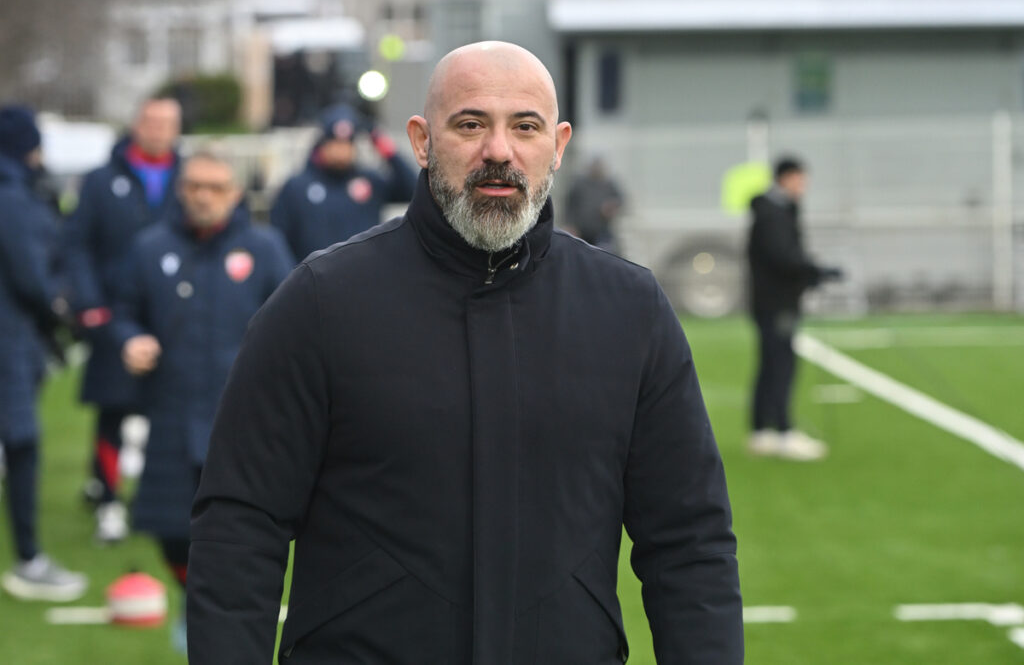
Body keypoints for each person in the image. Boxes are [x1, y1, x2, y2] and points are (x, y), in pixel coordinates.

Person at [188, 42, 743, 664]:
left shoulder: (629, 309)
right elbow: (240, 528)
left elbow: (690, 541)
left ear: (558, 146)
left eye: (524, 127)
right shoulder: (321, 303)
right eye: (471, 124)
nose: (499, 151)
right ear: (422, 142)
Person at [111, 150, 293, 649]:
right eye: (194, 185)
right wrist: (130, 338)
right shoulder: (149, 247)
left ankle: (221, 613)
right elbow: (123, 309)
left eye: (215, 187)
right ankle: (193, 597)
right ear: (180, 188)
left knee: (236, 528)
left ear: (235, 193)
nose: (203, 196)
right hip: (170, 408)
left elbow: (293, 322)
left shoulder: (265, 247)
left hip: (239, 417)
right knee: (170, 526)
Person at [62, 97, 183, 543]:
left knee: (173, 411)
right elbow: (76, 245)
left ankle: (167, 499)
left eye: (167, 122)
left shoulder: (188, 180)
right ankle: (109, 501)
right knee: (113, 409)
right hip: (114, 314)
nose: (158, 129)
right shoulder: (99, 181)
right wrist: (89, 304)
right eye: (151, 120)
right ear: (136, 123)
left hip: (173, 318)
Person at [0, 105, 87, 602]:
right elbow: (31, 273)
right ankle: (29, 559)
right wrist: (60, 305)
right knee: (23, 441)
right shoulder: (12, 196)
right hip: (9, 338)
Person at [746, 156, 842, 461]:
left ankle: (762, 430)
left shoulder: (774, 211)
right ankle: (784, 432)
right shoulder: (773, 214)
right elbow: (783, 257)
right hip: (777, 304)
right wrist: (815, 271)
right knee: (781, 363)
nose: (804, 186)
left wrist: (811, 273)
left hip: (773, 300)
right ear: (785, 178)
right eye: (800, 179)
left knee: (771, 362)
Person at [269, 103, 417, 262]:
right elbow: (279, 240)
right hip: (313, 281)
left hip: (363, 278)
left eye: (347, 143)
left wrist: (383, 145)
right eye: (335, 143)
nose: (341, 150)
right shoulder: (297, 187)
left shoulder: (370, 181)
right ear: (322, 145)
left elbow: (412, 189)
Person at [563, 154, 624, 253]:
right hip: (581, 230)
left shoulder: (609, 184)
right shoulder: (579, 183)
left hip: (602, 230)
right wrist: (569, 225)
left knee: (606, 253)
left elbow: (620, 200)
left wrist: (611, 206)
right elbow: (570, 205)